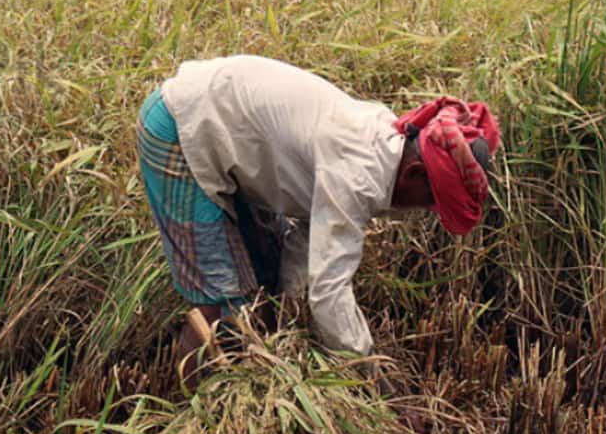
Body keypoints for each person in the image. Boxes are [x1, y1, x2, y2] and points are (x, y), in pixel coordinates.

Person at [136, 55, 499, 378]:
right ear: (415, 174)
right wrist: (375, 380)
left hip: (227, 128)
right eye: (430, 202)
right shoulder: (358, 175)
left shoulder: (385, 145)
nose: (425, 212)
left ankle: (238, 369)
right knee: (220, 301)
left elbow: (307, 243)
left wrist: (288, 312)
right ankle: (193, 419)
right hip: (181, 128)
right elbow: (328, 291)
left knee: (263, 278)